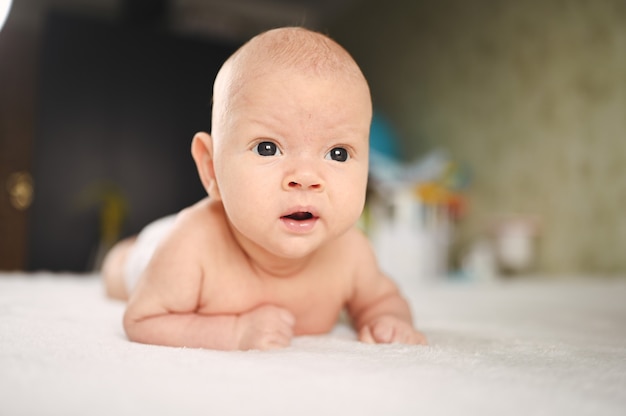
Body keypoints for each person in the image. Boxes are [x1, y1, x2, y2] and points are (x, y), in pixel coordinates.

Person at [102, 27, 427, 351]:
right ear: (211, 168)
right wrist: (234, 332)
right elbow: (142, 320)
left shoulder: (351, 253)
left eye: (337, 153)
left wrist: (389, 320)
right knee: (121, 269)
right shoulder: (192, 246)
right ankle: (123, 251)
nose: (305, 178)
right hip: (160, 247)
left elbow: (383, 299)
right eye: (268, 148)